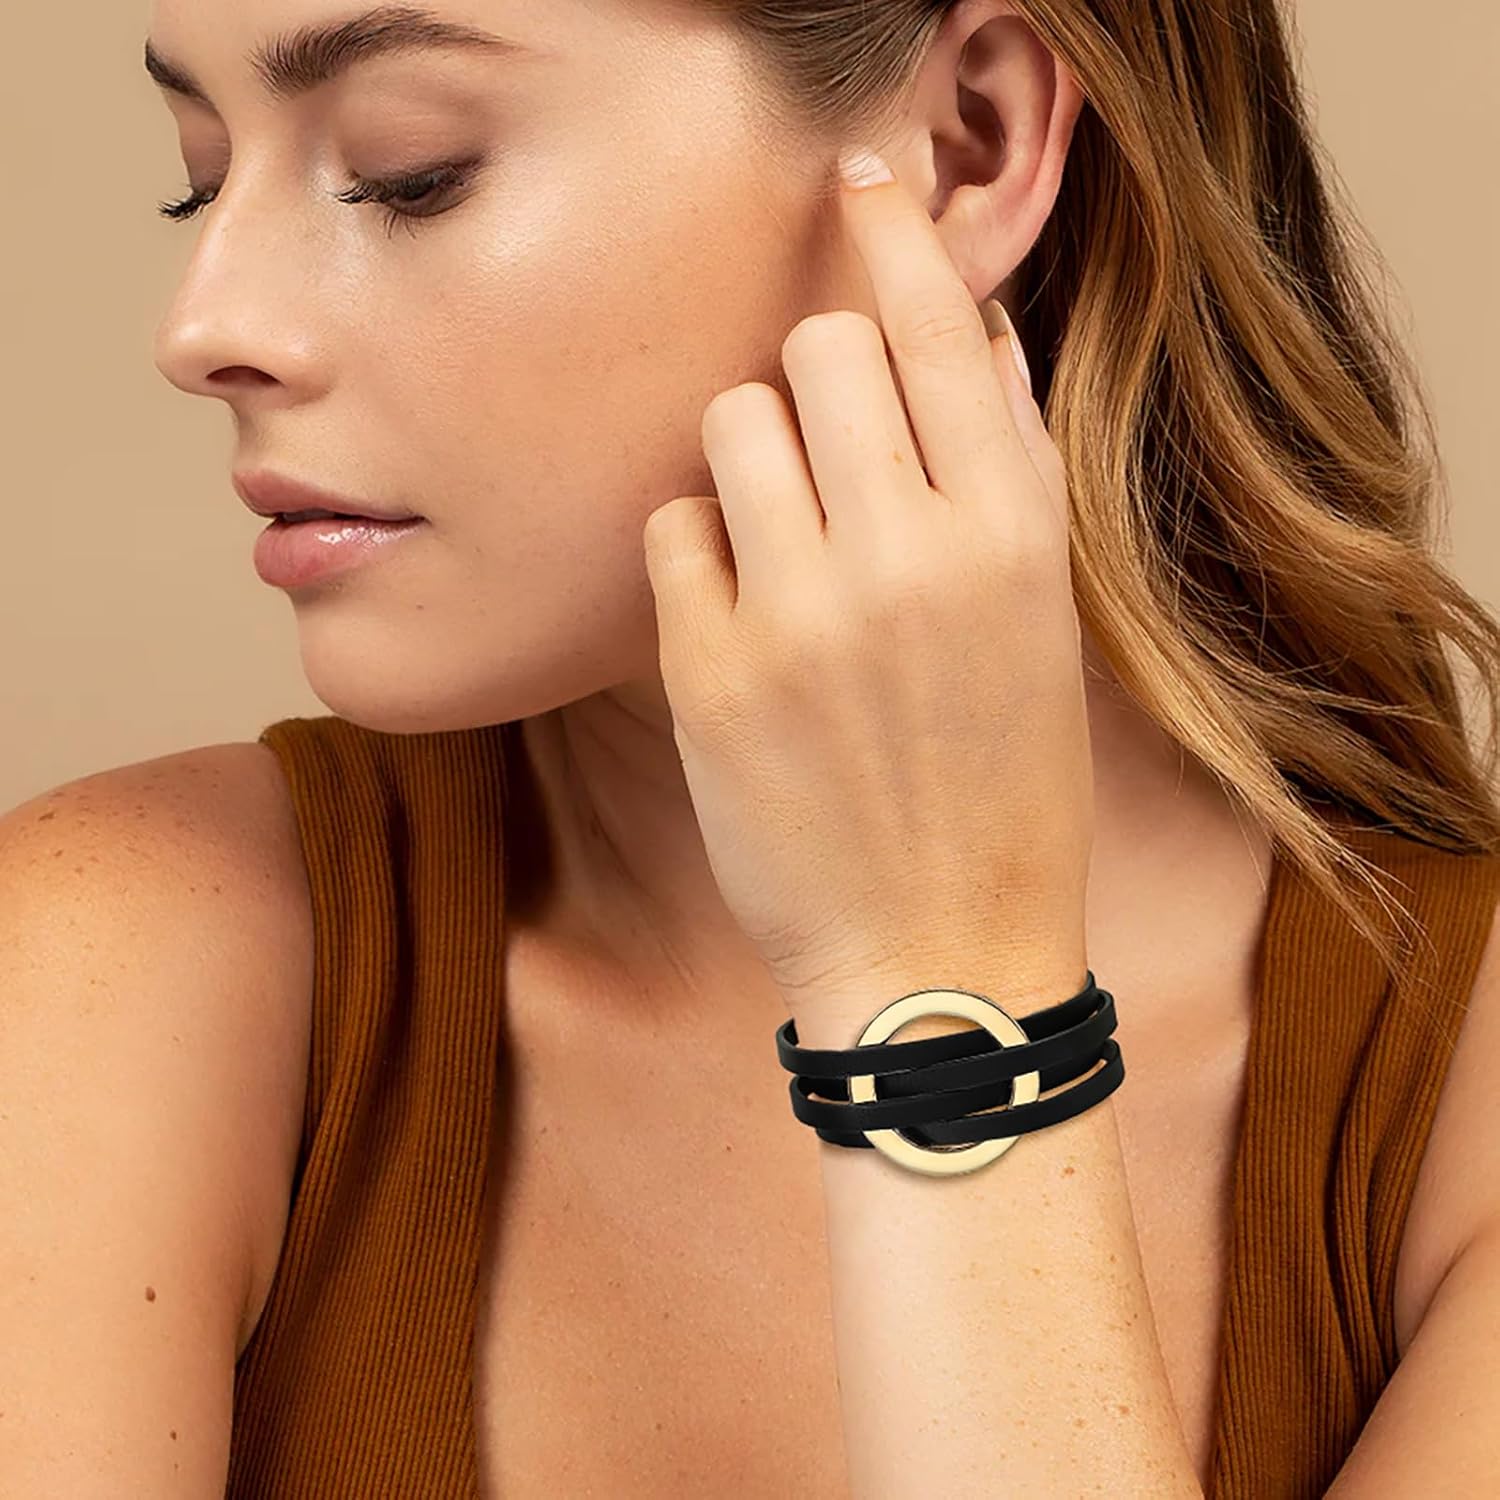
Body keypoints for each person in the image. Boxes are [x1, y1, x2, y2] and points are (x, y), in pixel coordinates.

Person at [5, 0, 1500, 1495]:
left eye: (410, 171)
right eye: (202, 176)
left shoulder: (1450, 1104)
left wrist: (940, 975)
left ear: (967, 145)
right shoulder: (120, 964)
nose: (202, 329)